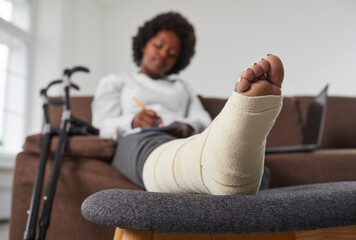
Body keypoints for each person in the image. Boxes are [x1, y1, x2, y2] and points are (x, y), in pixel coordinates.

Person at [92, 12, 284, 195]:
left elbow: (202, 120)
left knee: (248, 164)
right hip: (138, 140)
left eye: (172, 54)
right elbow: (101, 127)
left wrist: (185, 127)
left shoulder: (183, 88)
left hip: (181, 140)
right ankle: (226, 169)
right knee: (147, 146)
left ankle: (228, 167)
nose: (163, 54)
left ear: (178, 61)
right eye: (158, 46)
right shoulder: (116, 81)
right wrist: (133, 122)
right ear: (144, 44)